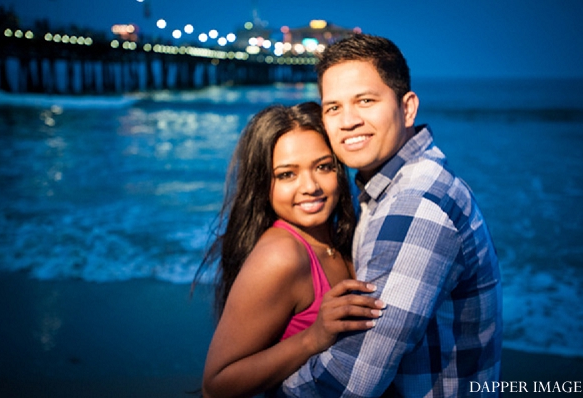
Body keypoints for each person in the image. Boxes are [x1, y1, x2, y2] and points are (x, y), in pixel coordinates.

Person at [277, 34, 503, 397]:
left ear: (407, 108)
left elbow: (353, 379)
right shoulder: (387, 187)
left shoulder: (416, 203)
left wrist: (269, 389)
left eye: (365, 101)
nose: (347, 121)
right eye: (333, 107)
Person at [198, 102, 385, 398]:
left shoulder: (338, 239)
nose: (310, 186)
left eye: (323, 167)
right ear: (263, 183)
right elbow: (216, 385)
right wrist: (313, 338)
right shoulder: (281, 255)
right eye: (287, 174)